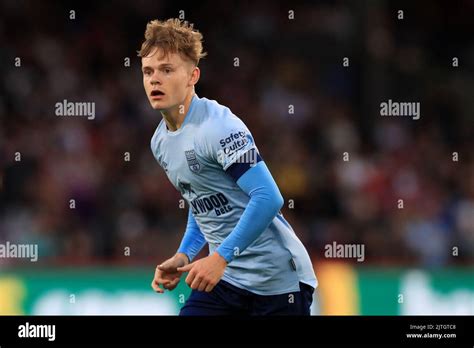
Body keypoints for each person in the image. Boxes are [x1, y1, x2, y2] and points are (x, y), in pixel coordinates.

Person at [140, 18, 317, 315]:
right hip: (227, 283)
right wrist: (185, 254)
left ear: (192, 76)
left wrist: (219, 257)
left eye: (167, 70)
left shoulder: (220, 127)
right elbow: (204, 203)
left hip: (278, 284)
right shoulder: (160, 143)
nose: (155, 79)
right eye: (148, 71)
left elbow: (268, 197)